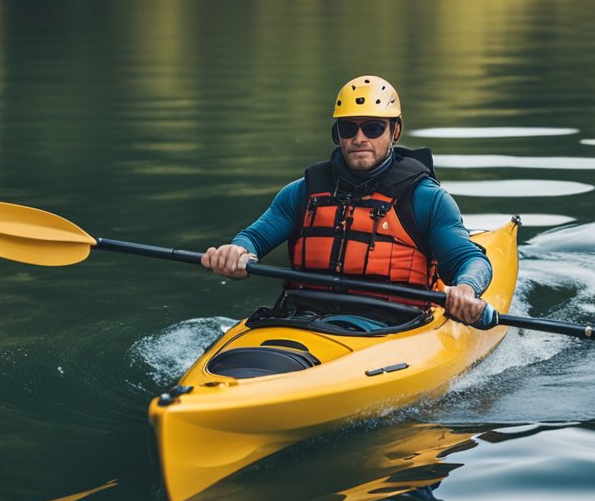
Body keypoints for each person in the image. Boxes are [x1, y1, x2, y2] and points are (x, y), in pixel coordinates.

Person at [201, 75, 497, 329]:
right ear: (337, 135)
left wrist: (466, 288)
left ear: (395, 132)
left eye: (373, 128)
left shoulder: (425, 199)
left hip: (392, 326)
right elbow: (254, 237)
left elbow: (469, 260)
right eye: (348, 128)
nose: (359, 138)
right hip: (298, 320)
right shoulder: (302, 193)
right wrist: (237, 252)